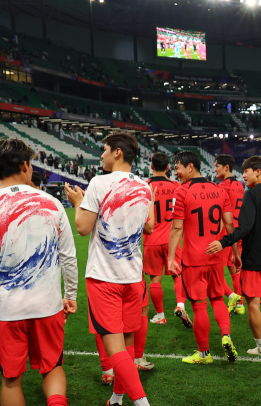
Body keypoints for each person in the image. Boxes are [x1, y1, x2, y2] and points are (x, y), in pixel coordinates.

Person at [0, 138, 78, 406]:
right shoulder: (52, 204)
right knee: (53, 367)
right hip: (47, 306)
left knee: (11, 379)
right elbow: (69, 257)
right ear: (26, 165)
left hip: (6, 311)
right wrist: (70, 293)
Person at [64, 132, 154, 406]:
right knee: (126, 345)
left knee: (115, 350)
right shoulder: (144, 186)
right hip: (133, 277)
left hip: (105, 278)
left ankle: (142, 403)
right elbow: (149, 227)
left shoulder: (99, 183)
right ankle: (116, 398)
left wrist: (78, 203)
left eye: (104, 150)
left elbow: (82, 227)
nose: (101, 155)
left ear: (118, 152)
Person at [207, 156, 261, 358]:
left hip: (253, 258)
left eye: (247, 171)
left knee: (253, 302)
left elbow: (245, 227)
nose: (243, 175)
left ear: (258, 172)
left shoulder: (251, 194)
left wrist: (224, 242)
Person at [167, 150, 240, 365]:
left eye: (178, 167)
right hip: (216, 255)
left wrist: (171, 257)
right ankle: (226, 335)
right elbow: (229, 226)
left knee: (199, 306)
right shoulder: (219, 190)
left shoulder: (182, 192)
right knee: (217, 299)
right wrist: (235, 253)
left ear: (190, 167)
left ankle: (203, 354)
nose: (176, 172)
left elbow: (176, 228)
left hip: (194, 258)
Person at [143, 152, 190, 328]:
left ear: (151, 166)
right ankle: (180, 305)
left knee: (155, 279)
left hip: (151, 238)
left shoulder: (145, 187)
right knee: (178, 274)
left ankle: (161, 315)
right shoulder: (177, 186)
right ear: (168, 167)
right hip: (172, 238)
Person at [213, 154, 245, 315]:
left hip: (226, 233)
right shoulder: (240, 185)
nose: (214, 169)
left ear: (226, 167)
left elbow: (220, 214)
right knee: (235, 268)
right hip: (239, 230)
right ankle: (239, 303)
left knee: (215, 269)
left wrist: (215, 235)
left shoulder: (222, 187)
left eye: (217, 165)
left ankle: (231, 296)